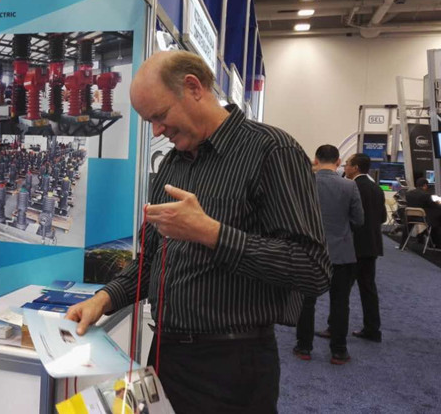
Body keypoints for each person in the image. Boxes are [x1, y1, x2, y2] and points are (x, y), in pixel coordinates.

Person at [65, 51, 331, 413]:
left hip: (232, 367)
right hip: (165, 355)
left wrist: (213, 234)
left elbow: (312, 269)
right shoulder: (173, 163)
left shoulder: (272, 151)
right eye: (149, 121)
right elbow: (152, 259)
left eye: (160, 115)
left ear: (193, 87)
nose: (157, 131)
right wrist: (104, 299)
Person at [294, 145, 363, 364]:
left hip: (309, 252)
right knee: (340, 303)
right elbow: (359, 220)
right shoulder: (349, 186)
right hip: (341, 253)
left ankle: (303, 347)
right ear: (338, 161)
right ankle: (339, 351)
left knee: (306, 302)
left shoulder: (303, 184)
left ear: (316, 160)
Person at [345, 153, 386, 342]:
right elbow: (383, 218)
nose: (345, 167)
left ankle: (334, 327)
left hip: (353, 246)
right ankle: (372, 329)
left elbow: (348, 217)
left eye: (347, 164)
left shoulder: (351, 187)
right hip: (372, 246)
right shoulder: (376, 188)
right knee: (369, 289)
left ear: (355, 168)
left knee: (342, 290)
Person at [405, 177, 441, 246]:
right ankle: (434, 241)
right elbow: (434, 206)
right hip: (423, 218)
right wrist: (438, 203)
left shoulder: (408, 194)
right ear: (425, 185)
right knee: (437, 217)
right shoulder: (426, 195)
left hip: (410, 217)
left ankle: (423, 235)